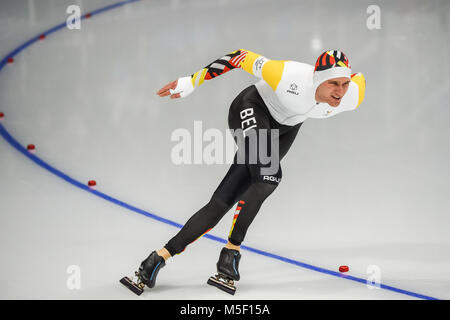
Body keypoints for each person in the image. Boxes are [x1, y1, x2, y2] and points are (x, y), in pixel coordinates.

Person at [135, 49, 366, 291]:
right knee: (268, 176)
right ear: (317, 79)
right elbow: (238, 56)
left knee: (226, 198)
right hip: (252, 107)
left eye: (345, 83)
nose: (340, 91)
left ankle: (157, 258)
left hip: (285, 127)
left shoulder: (351, 96)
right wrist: (192, 81)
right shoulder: (288, 75)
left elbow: (360, 79)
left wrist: (353, 79)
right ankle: (231, 253)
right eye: (333, 84)